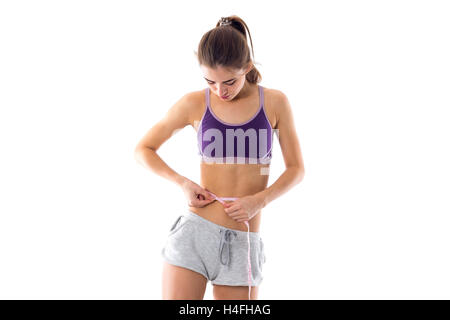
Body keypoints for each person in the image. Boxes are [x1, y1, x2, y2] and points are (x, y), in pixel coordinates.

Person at [134, 15, 305, 300]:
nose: (220, 91)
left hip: (243, 242)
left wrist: (259, 200)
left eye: (229, 81)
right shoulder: (194, 103)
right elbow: (143, 149)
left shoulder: (275, 103)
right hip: (194, 235)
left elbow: (296, 169)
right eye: (209, 81)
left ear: (247, 67)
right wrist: (183, 183)